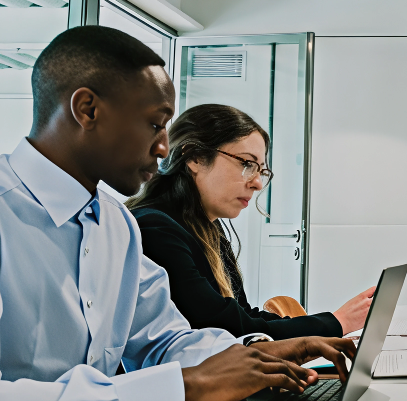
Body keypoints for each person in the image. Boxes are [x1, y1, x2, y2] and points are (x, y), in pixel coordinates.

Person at [0, 26, 355, 401]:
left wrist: (256, 353)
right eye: (155, 124)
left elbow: (163, 340)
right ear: (88, 110)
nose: (164, 146)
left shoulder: (116, 225)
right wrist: (183, 386)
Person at [127, 103, 375, 340]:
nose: (257, 183)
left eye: (260, 171)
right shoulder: (155, 229)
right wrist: (338, 322)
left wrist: (330, 326)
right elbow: (230, 329)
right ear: (195, 157)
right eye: (247, 164)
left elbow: (243, 316)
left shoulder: (206, 228)